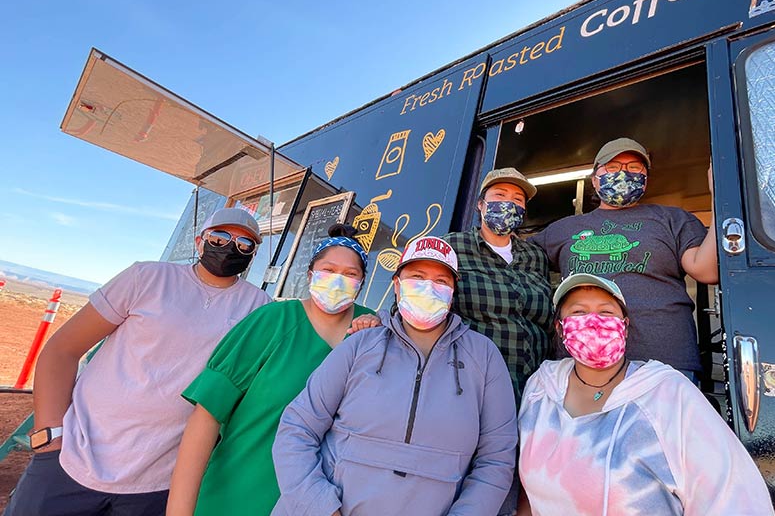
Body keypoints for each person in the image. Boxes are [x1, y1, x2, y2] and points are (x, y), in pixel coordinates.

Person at [4, 208, 269, 516]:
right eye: (220, 237)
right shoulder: (147, 277)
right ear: (200, 241)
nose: (230, 248)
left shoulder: (260, 309)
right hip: (72, 459)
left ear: (252, 254)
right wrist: (50, 438)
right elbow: (62, 349)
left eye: (244, 243)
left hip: (160, 482)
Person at [271, 236, 517, 516]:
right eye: (417, 277)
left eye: (441, 281)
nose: (428, 288)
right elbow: (297, 428)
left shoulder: (483, 356)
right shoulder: (360, 344)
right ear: (397, 285)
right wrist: (319, 507)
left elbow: (496, 460)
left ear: (453, 291)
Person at [517, 273, 774, 516]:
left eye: (606, 312)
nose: (593, 322)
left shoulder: (667, 392)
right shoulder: (542, 387)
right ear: (561, 329)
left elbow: (729, 493)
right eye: (578, 312)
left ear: (625, 327)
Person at [166, 224, 375, 516]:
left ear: (362, 282)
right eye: (328, 270)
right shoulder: (272, 321)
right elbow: (206, 416)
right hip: (236, 497)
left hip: (320, 505)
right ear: (310, 274)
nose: (338, 281)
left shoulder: (372, 331)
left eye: (350, 274)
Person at [529, 137, 718, 383]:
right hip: (581, 365)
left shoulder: (671, 219)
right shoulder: (563, 229)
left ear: (646, 178)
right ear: (595, 179)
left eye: (634, 168)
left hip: (664, 364)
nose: (623, 174)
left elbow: (706, 271)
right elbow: (517, 261)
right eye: (612, 167)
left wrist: (718, 196)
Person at [441, 167, 553, 515]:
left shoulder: (534, 257)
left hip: (530, 392)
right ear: (480, 204)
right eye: (500, 196)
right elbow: (420, 302)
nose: (509, 204)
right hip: (471, 392)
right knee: (468, 483)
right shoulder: (453, 246)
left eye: (517, 199)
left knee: (516, 484)